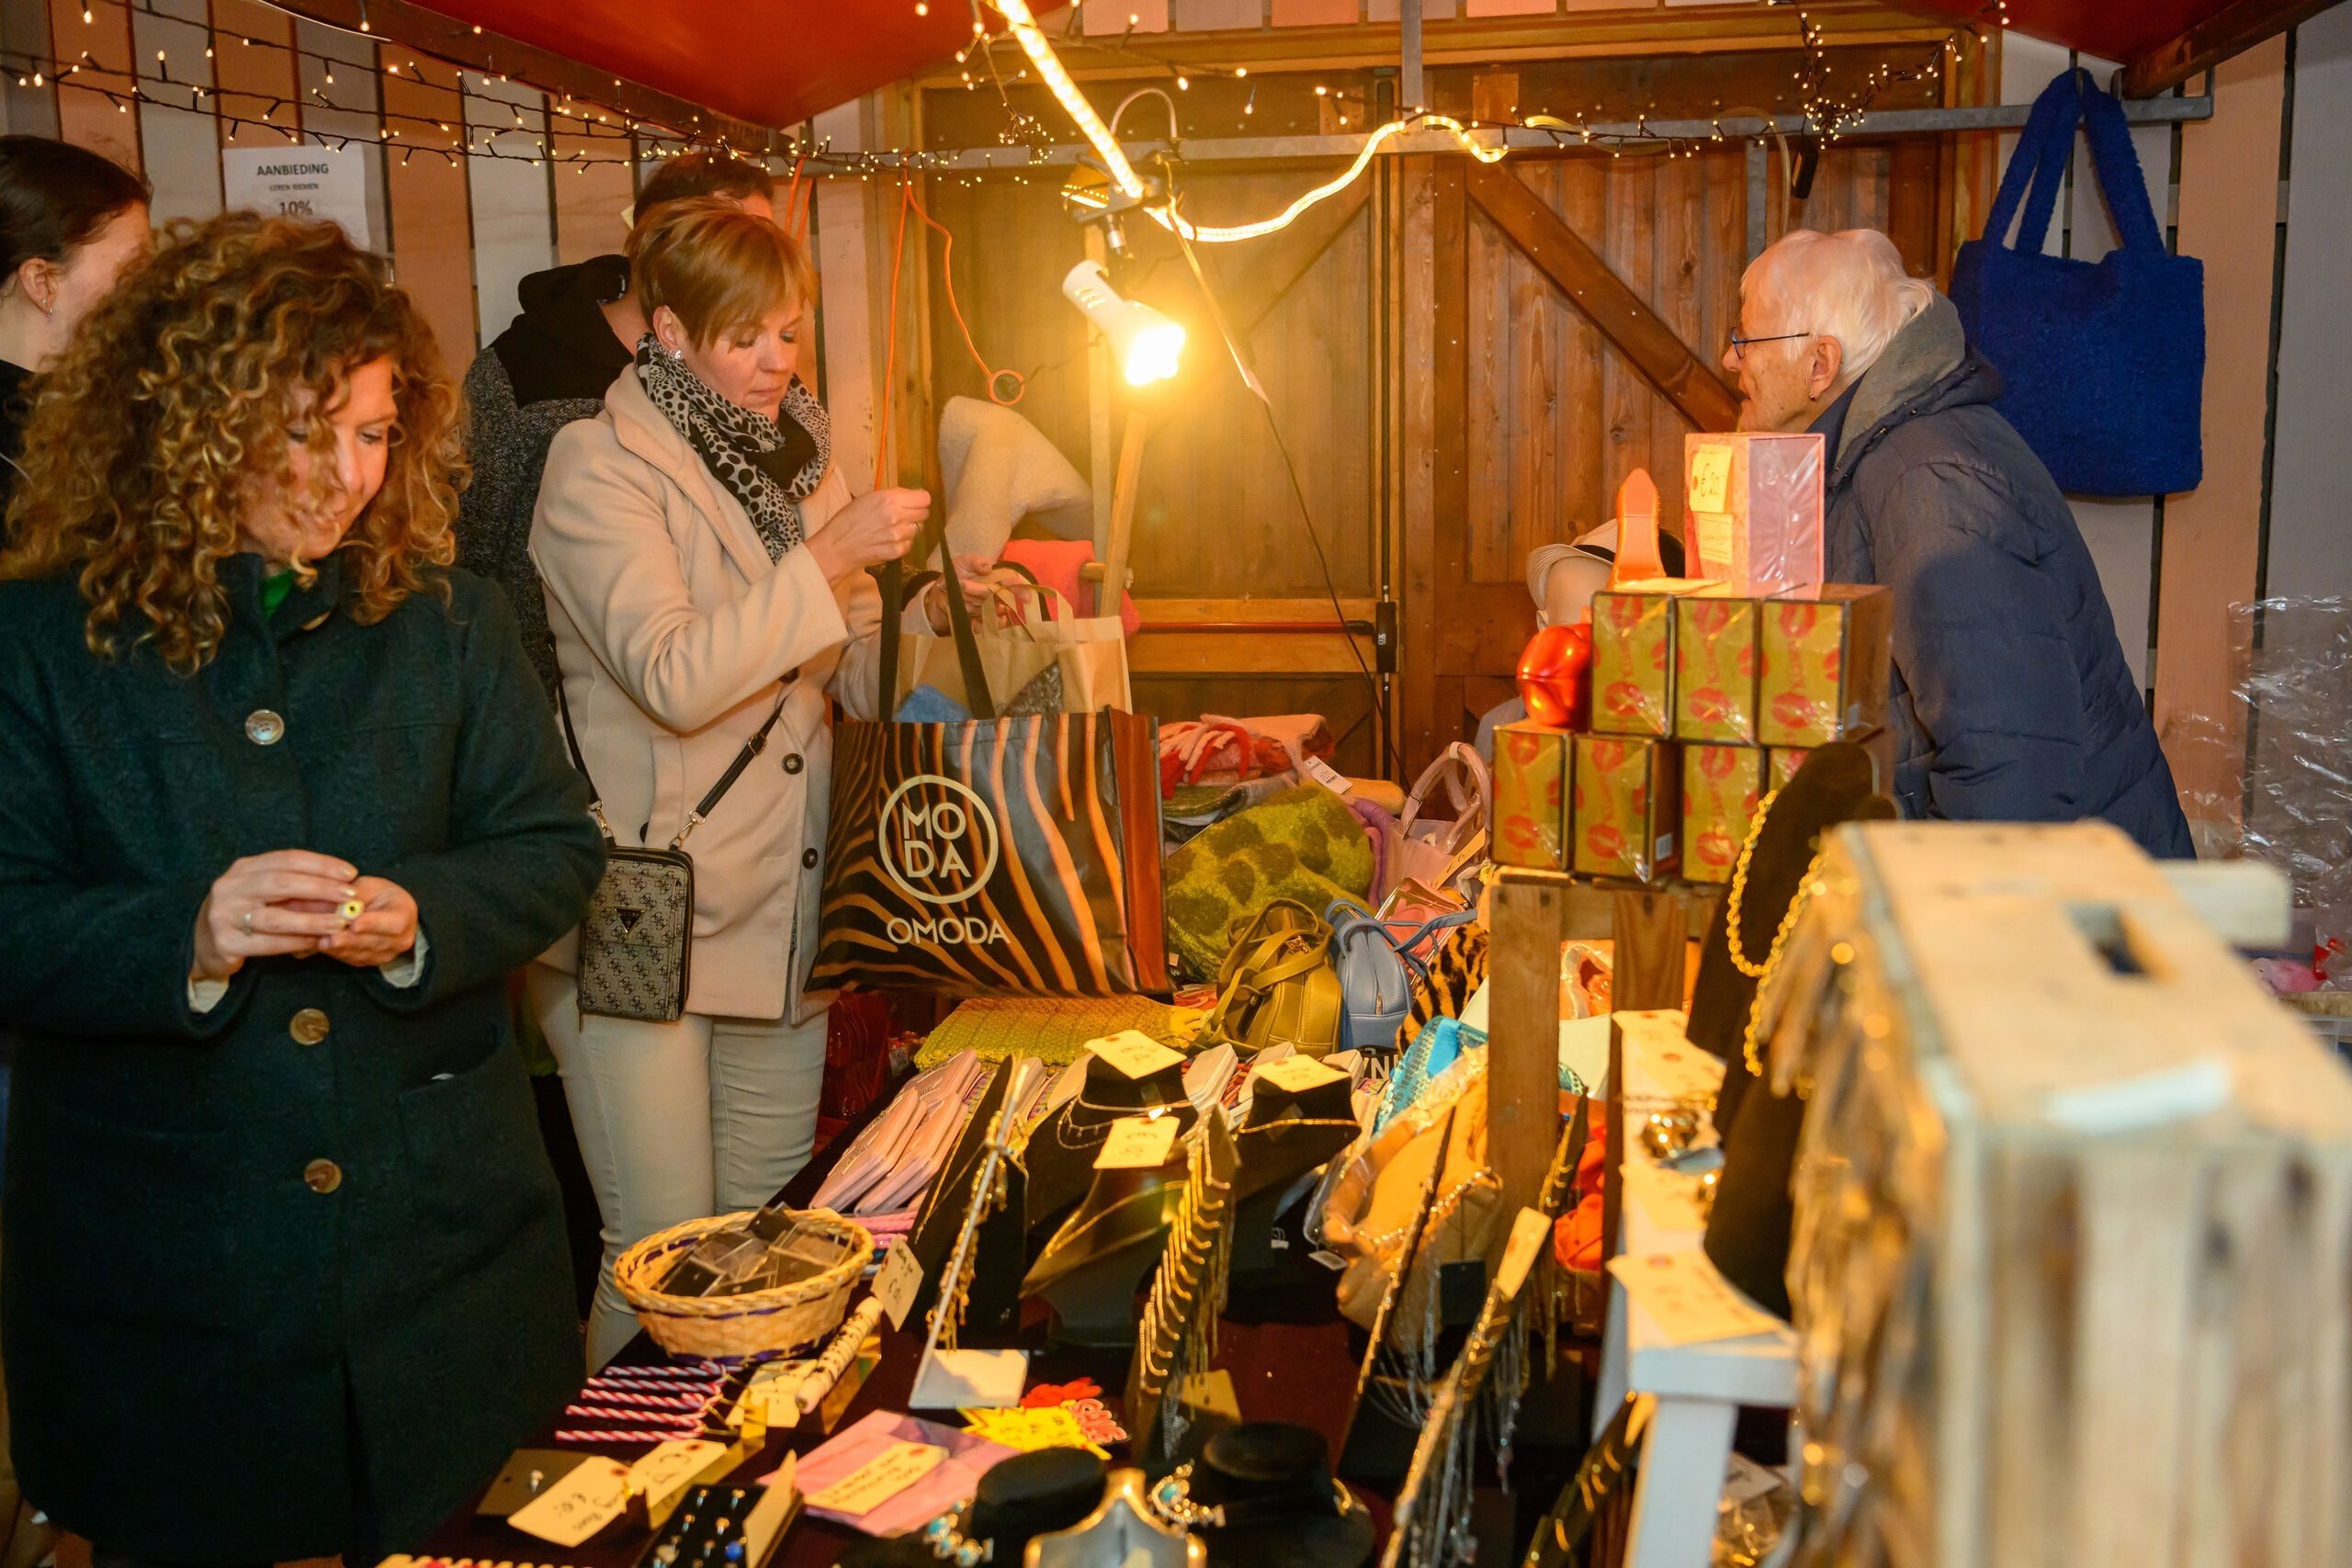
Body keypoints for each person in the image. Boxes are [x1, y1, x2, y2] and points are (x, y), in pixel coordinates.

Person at [0, 213, 604, 1562]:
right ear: (190, 422)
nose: (347, 476)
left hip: (434, 1254)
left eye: (377, 431)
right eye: (305, 430)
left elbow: (554, 847)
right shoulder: (39, 640)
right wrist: (188, 933)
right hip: (171, 1274)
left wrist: (423, 918)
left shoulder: (446, 621)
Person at [527, 198, 934, 1365]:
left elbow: (838, 648)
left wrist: (945, 613)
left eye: (789, 334)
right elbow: (673, 674)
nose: (772, 363)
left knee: (760, 1247)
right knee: (659, 1256)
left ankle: (724, 1490)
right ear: (666, 328)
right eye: (742, 335)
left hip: (780, 907)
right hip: (641, 912)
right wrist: (829, 559)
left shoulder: (801, 458)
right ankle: (603, 1509)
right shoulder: (594, 466)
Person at [1722, 227, 2191, 857]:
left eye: (1745, 341)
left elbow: (2011, 775)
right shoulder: (1889, 455)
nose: (1731, 361)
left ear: (1820, 365)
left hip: (2070, 930)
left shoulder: (1930, 484)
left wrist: (1932, 935)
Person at [458, 150, 777, 702]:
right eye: (737, 238)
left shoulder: (750, 375)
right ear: (664, 245)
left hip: (733, 688)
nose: (761, 263)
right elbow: (467, 551)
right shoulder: (525, 369)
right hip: (556, 719)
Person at [0, 136, 149, 499]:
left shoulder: (103, 408)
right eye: (134, 267)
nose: (151, 285)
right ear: (42, 281)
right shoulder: (23, 447)